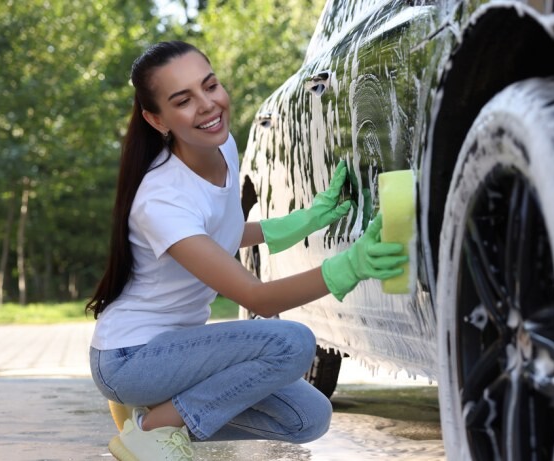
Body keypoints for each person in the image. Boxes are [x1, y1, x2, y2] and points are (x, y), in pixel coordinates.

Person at [86, 40, 407, 461]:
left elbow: (219, 236)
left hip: (182, 351)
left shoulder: (222, 147)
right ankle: (151, 427)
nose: (207, 105)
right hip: (132, 358)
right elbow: (257, 298)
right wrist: (350, 266)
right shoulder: (161, 197)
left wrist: (307, 219)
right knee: (291, 343)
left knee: (308, 418)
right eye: (183, 100)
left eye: (210, 86)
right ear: (156, 119)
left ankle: (161, 412)